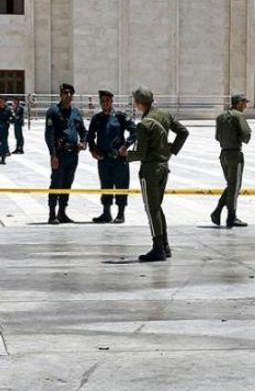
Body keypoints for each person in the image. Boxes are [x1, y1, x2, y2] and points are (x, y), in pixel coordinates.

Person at [120, 87, 188, 262]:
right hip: (163, 167)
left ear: (139, 103)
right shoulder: (165, 115)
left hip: (150, 170)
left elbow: (140, 154)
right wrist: (171, 150)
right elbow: (183, 132)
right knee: (157, 207)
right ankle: (164, 245)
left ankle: (158, 249)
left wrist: (124, 155)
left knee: (151, 209)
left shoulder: (145, 124)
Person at [87, 90, 137, 224]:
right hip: (104, 159)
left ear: (111, 101)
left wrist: (125, 146)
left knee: (121, 186)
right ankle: (106, 212)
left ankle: (121, 213)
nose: (105, 103)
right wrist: (93, 150)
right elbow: (90, 136)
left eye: (107, 101)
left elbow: (135, 131)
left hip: (119, 159)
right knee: (105, 185)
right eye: (102, 101)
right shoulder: (97, 118)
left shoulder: (120, 117)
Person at [45, 84, 87, 224]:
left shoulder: (76, 112)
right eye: (65, 92)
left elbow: (83, 131)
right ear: (60, 95)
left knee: (67, 184)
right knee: (56, 183)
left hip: (73, 154)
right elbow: (49, 135)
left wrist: (83, 143)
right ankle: (52, 214)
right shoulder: (53, 112)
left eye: (70, 93)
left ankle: (62, 212)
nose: (68, 95)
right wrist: (53, 155)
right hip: (60, 154)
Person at [211, 94, 252, 228]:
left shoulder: (220, 117)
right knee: (235, 187)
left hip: (224, 154)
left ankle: (217, 212)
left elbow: (217, 137)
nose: (246, 106)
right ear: (239, 103)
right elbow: (246, 135)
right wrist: (239, 138)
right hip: (235, 154)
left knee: (231, 185)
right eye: (244, 103)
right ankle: (231, 217)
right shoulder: (238, 116)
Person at [0, 97, 12, 165]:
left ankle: (3, 159)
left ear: (4, 102)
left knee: (4, 143)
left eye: (2, 102)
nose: (1, 103)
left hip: (4, 129)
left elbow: (12, 117)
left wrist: (9, 121)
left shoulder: (8, 109)